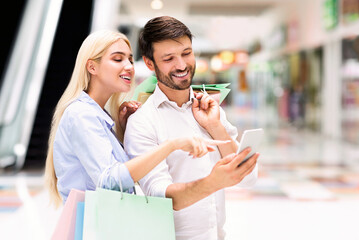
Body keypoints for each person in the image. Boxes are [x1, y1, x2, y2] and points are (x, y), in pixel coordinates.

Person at [44, 30, 228, 207]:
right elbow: (109, 182)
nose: (129, 67)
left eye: (130, 59)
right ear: (92, 67)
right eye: (118, 59)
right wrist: (172, 145)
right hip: (92, 226)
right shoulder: (82, 114)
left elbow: (124, 176)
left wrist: (122, 133)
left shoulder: (100, 115)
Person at [124, 16, 259, 240]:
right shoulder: (142, 122)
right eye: (168, 58)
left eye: (186, 53)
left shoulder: (210, 110)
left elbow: (249, 177)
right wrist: (213, 182)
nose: (181, 65)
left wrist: (216, 127)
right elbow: (160, 195)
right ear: (150, 63)